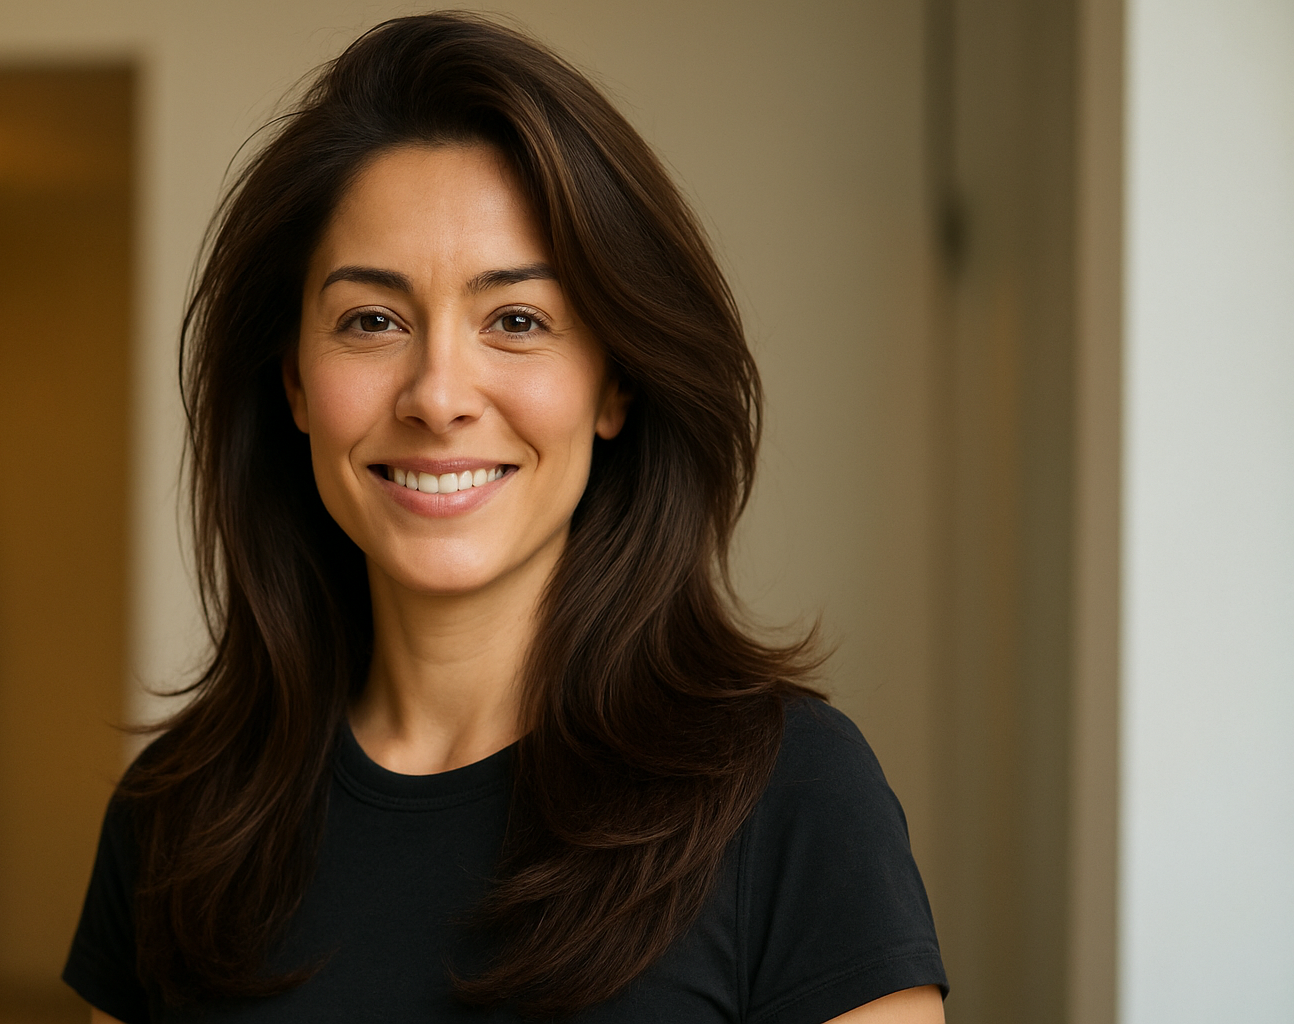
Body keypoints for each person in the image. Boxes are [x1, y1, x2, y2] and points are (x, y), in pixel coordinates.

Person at [64, 13, 947, 1023]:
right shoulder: (177, 813)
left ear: (614, 383)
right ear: (296, 384)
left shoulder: (791, 794)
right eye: (372, 321)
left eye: (517, 321)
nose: (438, 395)